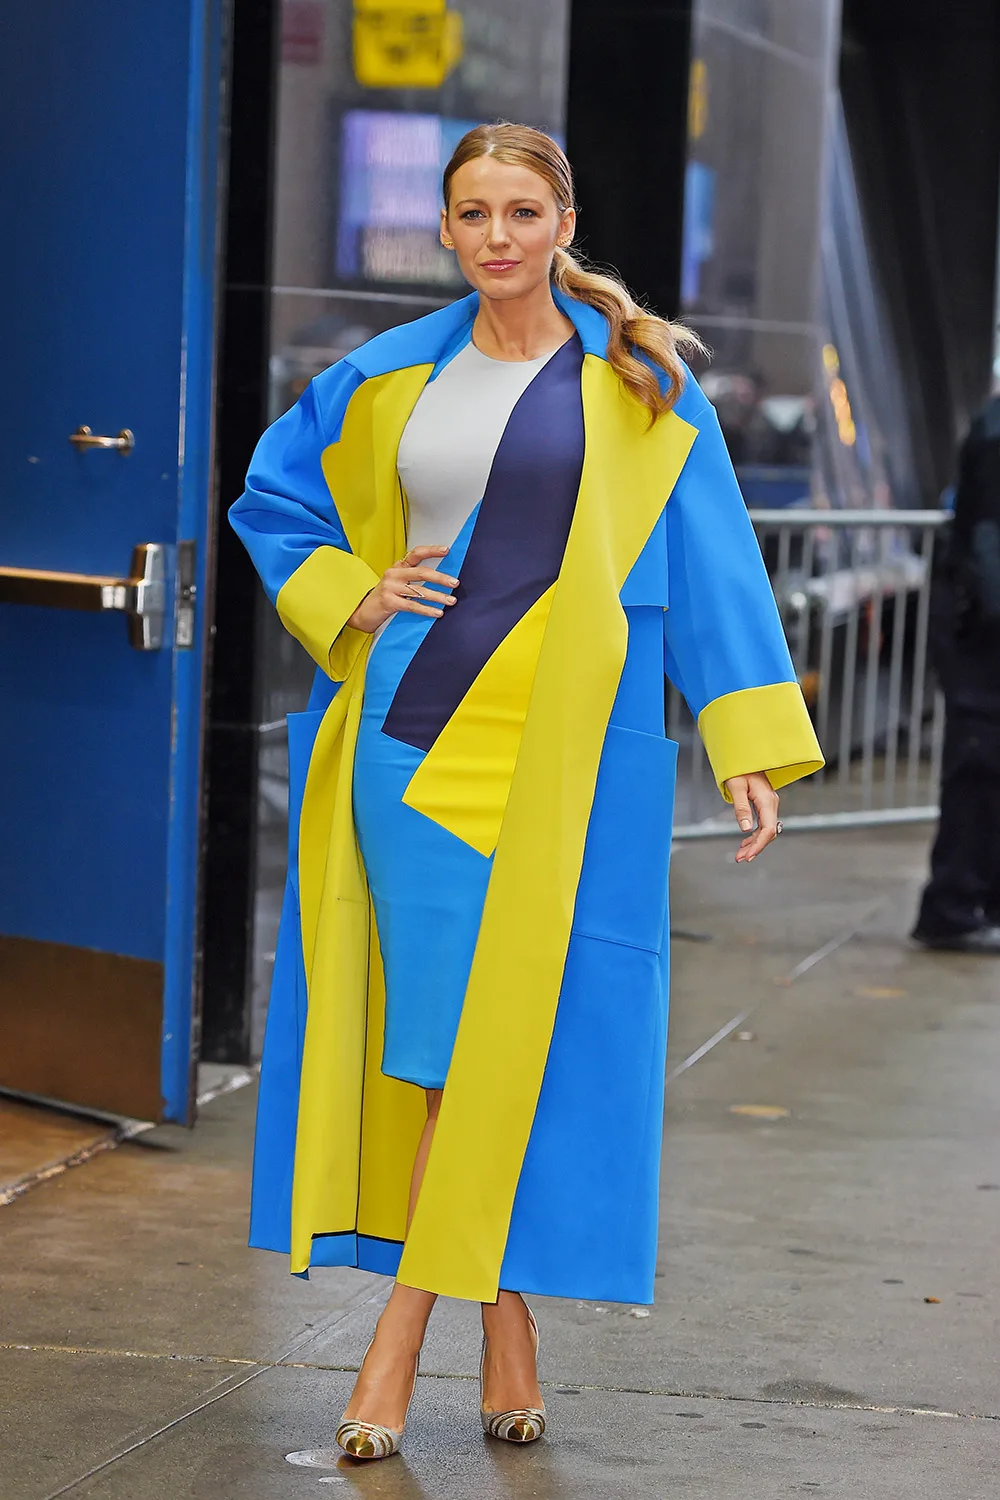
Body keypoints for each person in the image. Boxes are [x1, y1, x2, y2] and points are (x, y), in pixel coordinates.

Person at [230, 123, 823, 1460]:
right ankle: (428, 1345)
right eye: (472, 213)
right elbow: (275, 505)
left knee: (517, 1043)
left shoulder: (640, 385)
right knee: (449, 1047)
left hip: (568, 753)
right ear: (444, 231)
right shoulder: (381, 379)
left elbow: (717, 562)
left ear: (563, 222)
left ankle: (480, 1331)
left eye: (521, 210)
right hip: (408, 737)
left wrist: (743, 738)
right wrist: (349, 592)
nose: (497, 235)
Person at [913, 390, 1000, 952]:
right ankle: (953, 902)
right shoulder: (996, 431)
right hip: (980, 627)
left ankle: (975, 898)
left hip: (979, 616)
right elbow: (990, 539)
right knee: (977, 767)